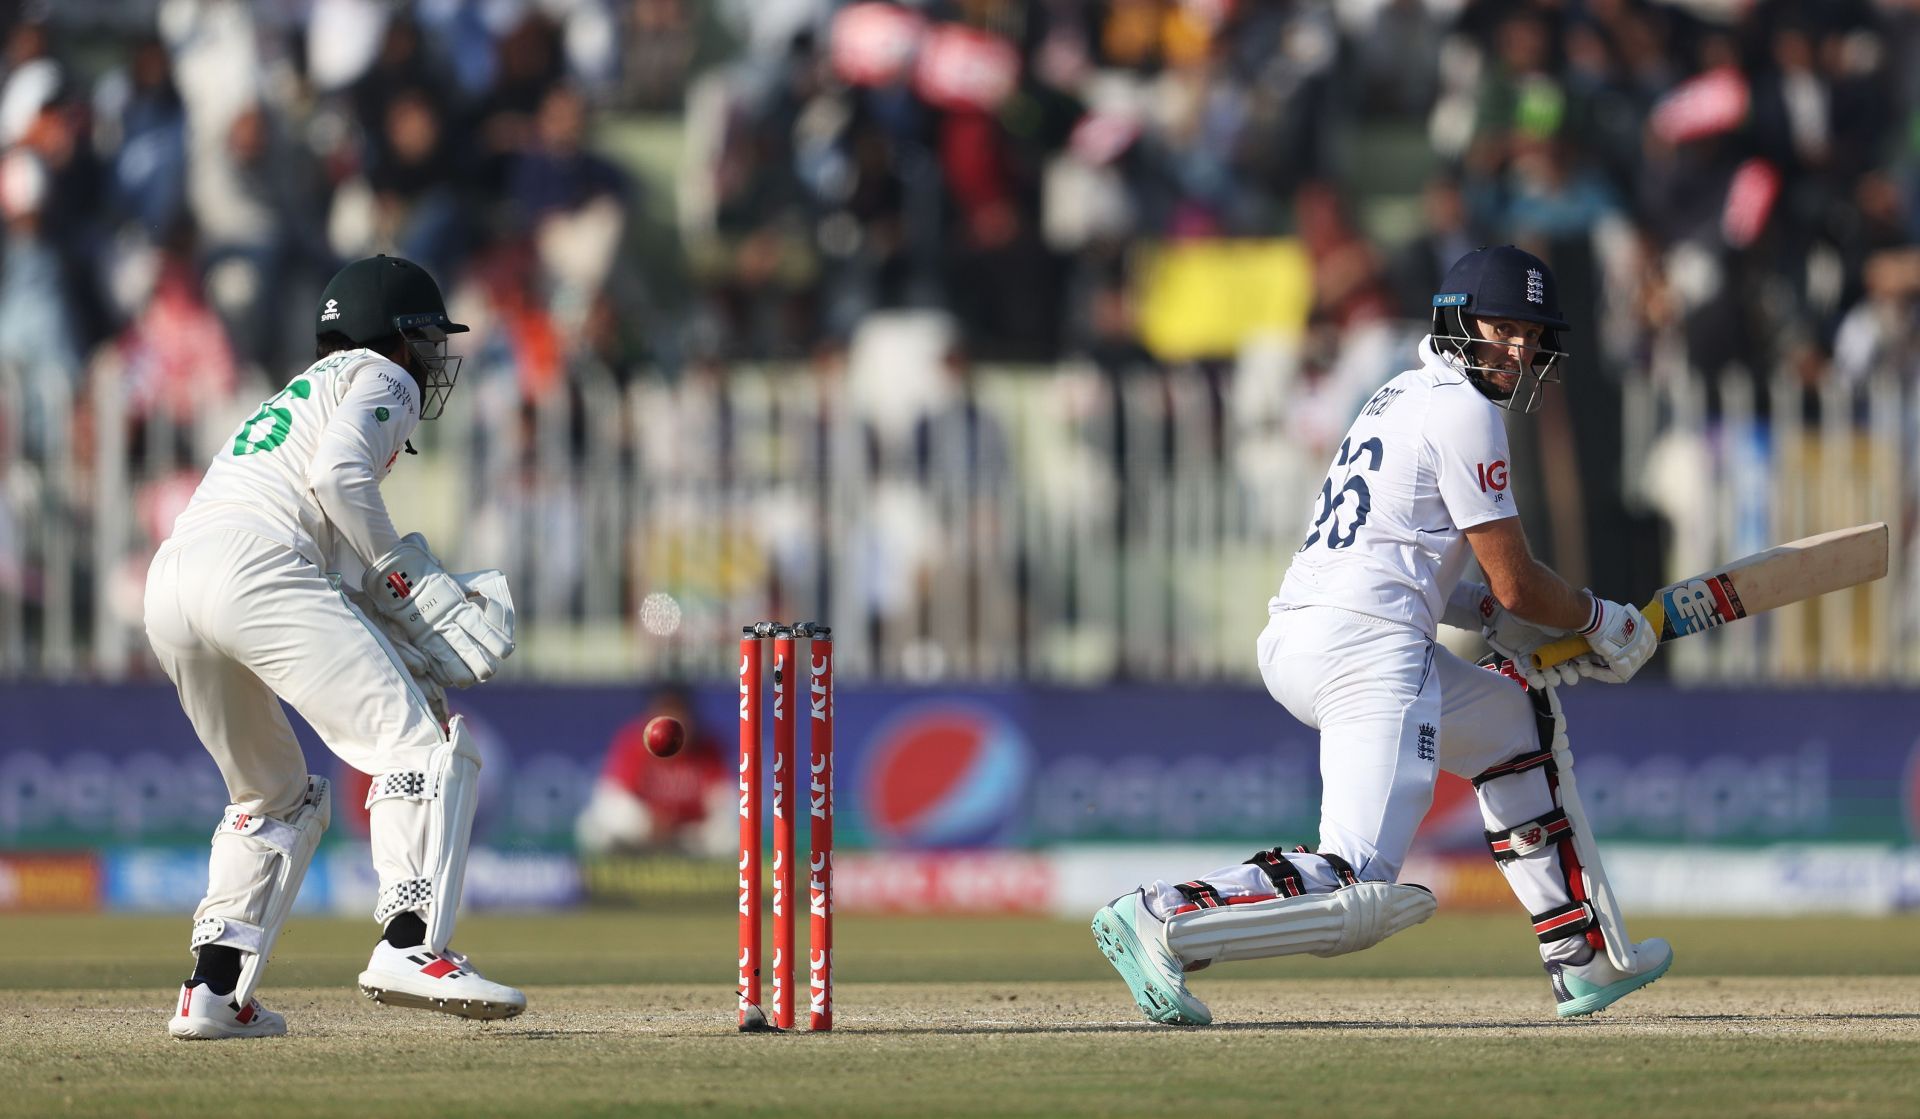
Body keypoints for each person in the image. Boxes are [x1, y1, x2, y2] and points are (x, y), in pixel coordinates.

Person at [1092, 245, 1670, 1024]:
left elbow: (1411, 560)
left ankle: (1582, 956)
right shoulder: (1467, 409)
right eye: (1501, 328)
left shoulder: (1396, 393)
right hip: (1368, 648)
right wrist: (1605, 620)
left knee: (1513, 727)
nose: (1517, 350)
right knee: (1357, 882)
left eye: (1530, 335)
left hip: (1311, 630)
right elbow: (1519, 580)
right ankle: (1162, 912)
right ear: (1457, 320)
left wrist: (1498, 622)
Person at [144, 255, 524, 1039]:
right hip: (256, 569)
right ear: (395, 337)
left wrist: (387, 603)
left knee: (272, 794)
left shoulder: (302, 392)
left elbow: (322, 527)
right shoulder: (382, 377)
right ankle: (411, 945)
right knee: (419, 742)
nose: (433, 359)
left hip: (174, 582)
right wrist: (406, 579)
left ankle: (212, 991)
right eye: (426, 339)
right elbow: (340, 479)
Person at [574, 685, 733, 859]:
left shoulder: (707, 747)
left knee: (732, 834)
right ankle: (615, 879)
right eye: (665, 709)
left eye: (678, 710)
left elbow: (724, 802)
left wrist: (690, 827)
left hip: (689, 837)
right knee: (592, 827)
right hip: (644, 834)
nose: (673, 718)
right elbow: (611, 799)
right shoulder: (634, 741)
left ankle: (711, 882)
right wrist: (647, 823)